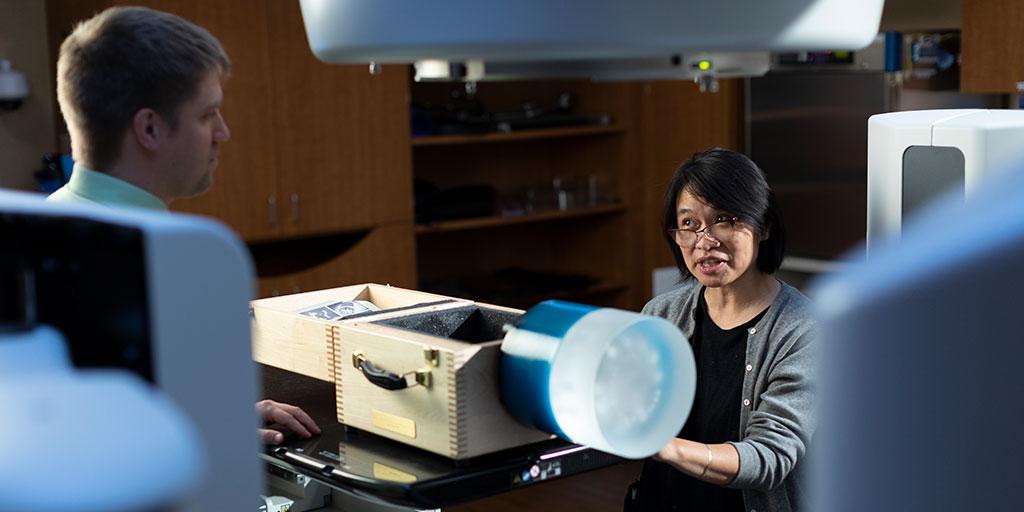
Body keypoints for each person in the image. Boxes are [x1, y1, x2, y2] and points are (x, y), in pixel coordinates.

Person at [47, 6, 319, 445]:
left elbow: (104, 409)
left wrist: (211, 415)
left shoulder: (41, 233)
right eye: (208, 115)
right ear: (150, 129)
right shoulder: (163, 262)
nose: (223, 132)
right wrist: (212, 434)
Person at [632, 148, 816, 512]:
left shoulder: (804, 331)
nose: (705, 240)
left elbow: (768, 457)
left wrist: (666, 448)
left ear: (764, 226)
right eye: (689, 224)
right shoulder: (661, 314)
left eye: (725, 219)